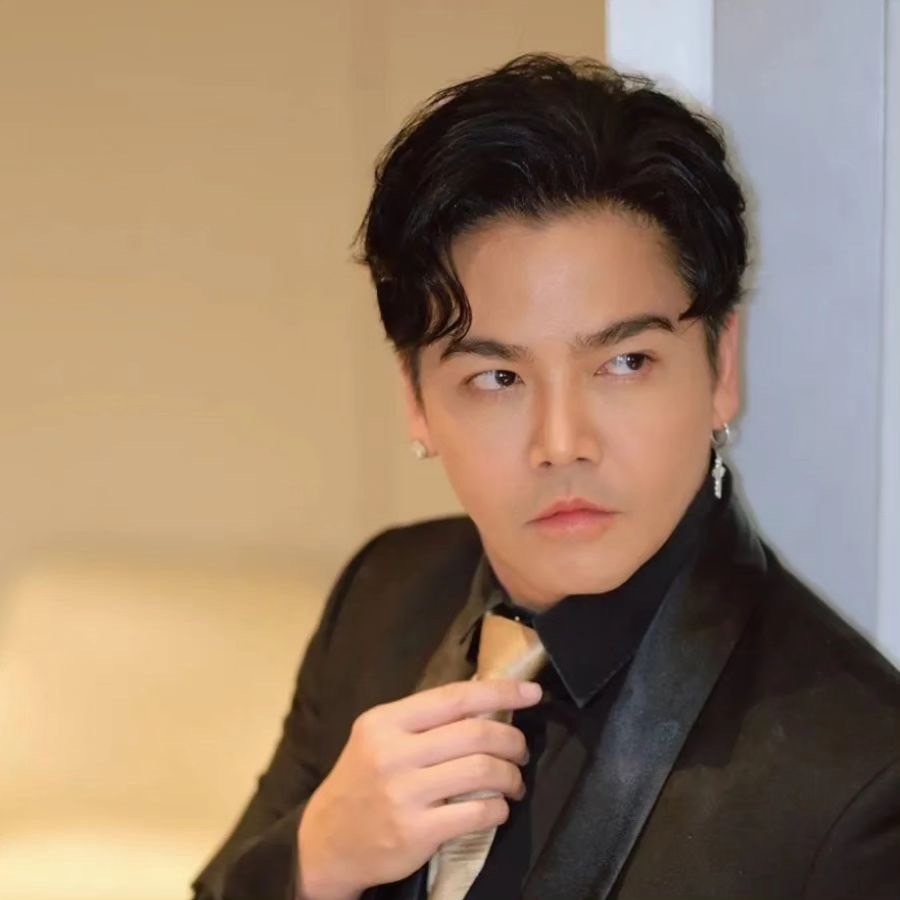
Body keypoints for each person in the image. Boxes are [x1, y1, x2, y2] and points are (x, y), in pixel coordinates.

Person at [191, 55, 900, 900]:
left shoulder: (861, 776)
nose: (562, 444)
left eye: (626, 362)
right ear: (416, 401)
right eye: (498, 378)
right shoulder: (384, 598)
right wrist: (315, 859)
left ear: (721, 368)